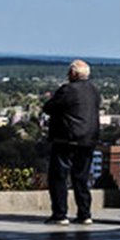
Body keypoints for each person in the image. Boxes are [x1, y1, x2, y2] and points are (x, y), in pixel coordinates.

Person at [43, 59, 100, 224]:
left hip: (66, 138)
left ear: (73, 74)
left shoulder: (67, 90)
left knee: (59, 176)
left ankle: (60, 214)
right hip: (88, 139)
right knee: (81, 177)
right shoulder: (94, 90)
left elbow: (49, 108)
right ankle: (85, 214)